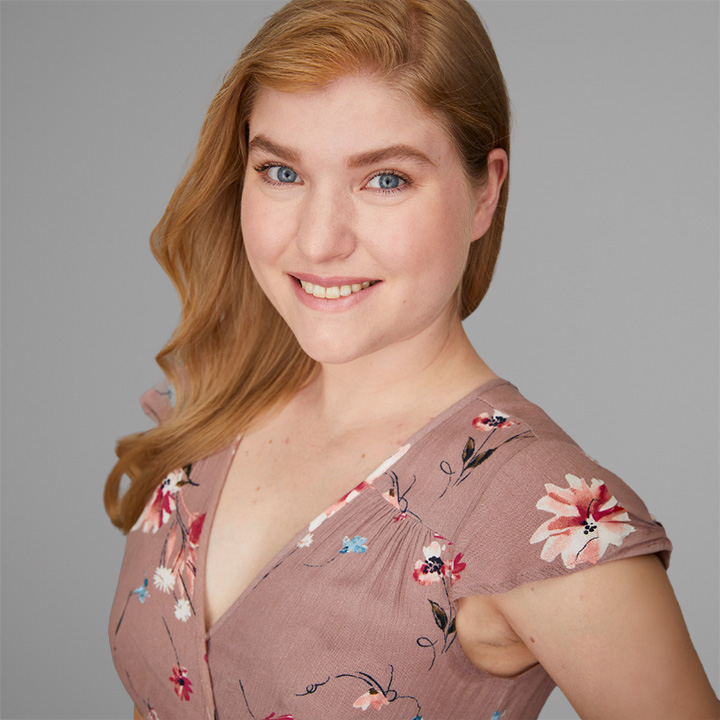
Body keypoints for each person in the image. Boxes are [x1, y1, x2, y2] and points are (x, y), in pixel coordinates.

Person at [106, 1, 720, 718]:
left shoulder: (536, 510)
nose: (319, 240)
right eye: (281, 171)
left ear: (485, 192)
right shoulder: (220, 411)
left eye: (386, 179)